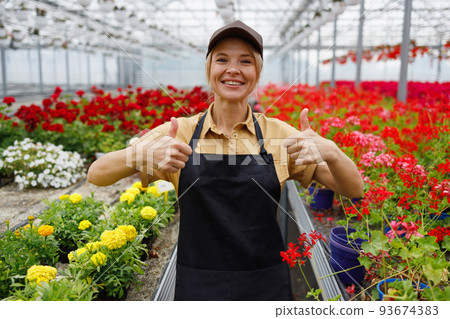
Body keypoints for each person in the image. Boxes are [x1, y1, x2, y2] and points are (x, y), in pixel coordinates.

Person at [87, 20, 363, 301]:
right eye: (222, 59)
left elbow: (353, 189)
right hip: (198, 283)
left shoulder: (278, 134)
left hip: (265, 282)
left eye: (245, 61)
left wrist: (332, 152)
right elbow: (97, 174)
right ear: (210, 70)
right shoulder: (179, 132)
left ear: (256, 73)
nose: (233, 69)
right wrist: (142, 153)